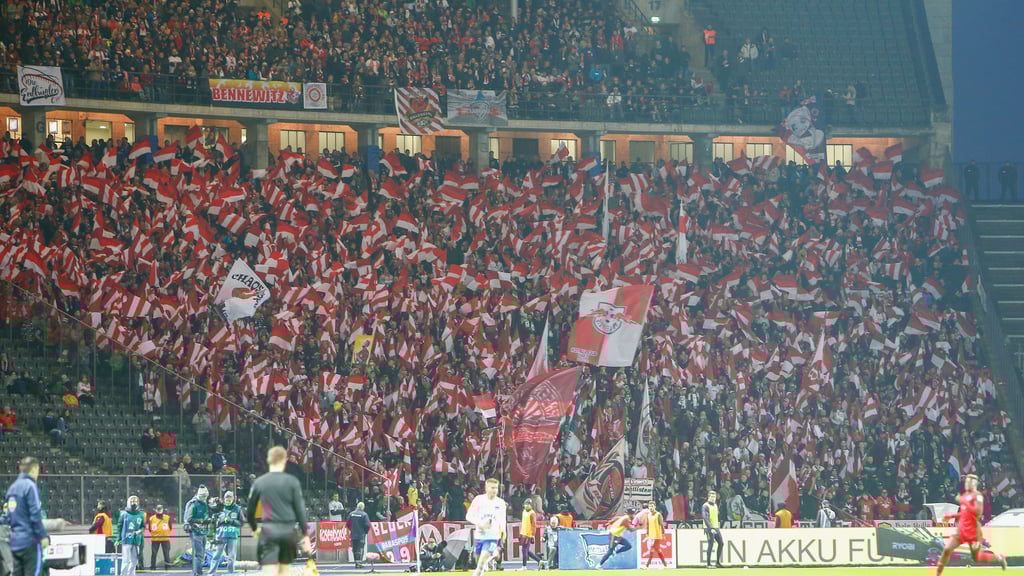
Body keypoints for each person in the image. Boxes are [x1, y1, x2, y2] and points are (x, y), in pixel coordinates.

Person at [246, 446, 312, 576]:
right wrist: (305, 535)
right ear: (284, 460)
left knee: (269, 572)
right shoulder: (292, 482)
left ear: (268, 460)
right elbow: (300, 511)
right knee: (285, 572)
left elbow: (250, 511)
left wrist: (254, 529)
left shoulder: (259, 482)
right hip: (288, 532)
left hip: (269, 531)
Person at [936, 474, 1007, 575]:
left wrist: (963, 502)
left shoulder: (978, 496)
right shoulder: (965, 495)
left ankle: (999, 558)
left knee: (976, 558)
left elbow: (978, 512)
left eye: (969, 482)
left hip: (973, 531)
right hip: (961, 529)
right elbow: (965, 514)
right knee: (947, 549)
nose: (967, 484)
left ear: (974, 484)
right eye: (966, 482)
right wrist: (951, 515)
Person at [5, 457, 48, 576]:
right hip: (30, 541)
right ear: (34, 468)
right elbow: (35, 514)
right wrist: (42, 536)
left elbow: (10, 516)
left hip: (15, 543)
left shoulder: (12, 488)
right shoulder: (30, 486)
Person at [466, 478, 507, 576]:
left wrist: (504, 531)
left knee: (480, 564)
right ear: (486, 488)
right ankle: (494, 554)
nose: (495, 490)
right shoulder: (478, 500)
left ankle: (480, 569)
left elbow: (502, 519)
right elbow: (469, 516)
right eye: (492, 488)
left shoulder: (500, 503)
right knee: (478, 559)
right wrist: (480, 524)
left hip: (493, 536)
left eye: (496, 488)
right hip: (480, 535)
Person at [209, 491, 243, 575]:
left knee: (231, 557)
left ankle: (231, 573)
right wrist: (218, 520)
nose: (228, 502)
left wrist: (231, 521)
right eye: (226, 500)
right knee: (216, 555)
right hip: (221, 535)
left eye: (229, 500)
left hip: (232, 535)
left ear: (233, 499)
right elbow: (213, 521)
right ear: (224, 500)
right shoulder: (220, 508)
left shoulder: (238, 509)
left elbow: (241, 523)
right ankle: (211, 573)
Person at [184, 486, 211, 576]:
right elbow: (188, 519)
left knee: (201, 555)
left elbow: (206, 515)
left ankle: (197, 573)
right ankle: (199, 574)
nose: (204, 498)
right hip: (196, 532)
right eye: (203, 496)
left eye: (205, 496)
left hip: (204, 531)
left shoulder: (205, 504)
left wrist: (207, 521)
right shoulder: (193, 504)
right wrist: (200, 522)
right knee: (199, 555)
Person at [114, 496, 145, 576]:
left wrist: (139, 531)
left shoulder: (141, 514)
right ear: (128, 502)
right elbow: (119, 527)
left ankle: (131, 574)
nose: (134, 503)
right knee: (126, 560)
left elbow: (143, 527)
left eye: (135, 501)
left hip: (136, 540)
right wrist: (118, 539)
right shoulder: (124, 514)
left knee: (134, 561)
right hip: (126, 540)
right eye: (132, 501)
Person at [638, 501, 667, 568]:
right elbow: (648, 525)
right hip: (651, 535)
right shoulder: (648, 515)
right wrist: (647, 533)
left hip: (657, 535)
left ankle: (646, 566)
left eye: (652, 506)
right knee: (658, 550)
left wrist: (663, 533)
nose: (651, 508)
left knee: (652, 549)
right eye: (650, 506)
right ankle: (665, 565)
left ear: (655, 507)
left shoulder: (658, 514)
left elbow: (661, 525)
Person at [146, 504, 173, 570]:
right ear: (155, 509)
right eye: (158, 509)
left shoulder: (167, 517)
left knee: (166, 554)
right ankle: (153, 567)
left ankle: (167, 567)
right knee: (154, 554)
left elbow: (170, 527)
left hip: (165, 539)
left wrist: (164, 533)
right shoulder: (151, 518)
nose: (159, 510)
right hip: (155, 539)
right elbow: (150, 529)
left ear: (162, 509)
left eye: (160, 509)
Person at [519, 500, 544, 569]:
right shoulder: (524, 511)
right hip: (523, 533)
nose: (527, 505)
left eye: (528, 504)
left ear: (531, 505)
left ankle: (524, 566)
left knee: (524, 550)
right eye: (526, 504)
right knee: (526, 550)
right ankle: (539, 560)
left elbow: (534, 525)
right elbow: (523, 523)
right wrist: (520, 533)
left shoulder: (532, 513)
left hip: (528, 534)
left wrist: (533, 535)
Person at [702, 491, 724, 569]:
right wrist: (710, 528)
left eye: (714, 497)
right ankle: (708, 564)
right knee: (710, 545)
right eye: (711, 497)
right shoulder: (705, 506)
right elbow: (705, 518)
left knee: (721, 543)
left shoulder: (715, 505)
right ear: (708, 497)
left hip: (716, 527)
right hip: (709, 528)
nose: (713, 498)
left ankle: (717, 562)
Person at [348, 502, 369, 568]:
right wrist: (365, 532)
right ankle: (359, 563)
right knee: (360, 549)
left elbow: (348, 523)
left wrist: (351, 529)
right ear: (363, 507)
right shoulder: (364, 514)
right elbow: (367, 525)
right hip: (361, 534)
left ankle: (356, 563)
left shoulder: (351, 514)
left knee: (354, 549)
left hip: (353, 534)